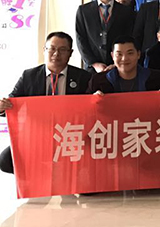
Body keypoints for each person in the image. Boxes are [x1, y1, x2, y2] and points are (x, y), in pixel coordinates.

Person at [0, 32, 93, 174]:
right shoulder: (29, 76)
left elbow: (91, 109)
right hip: (37, 135)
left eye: (62, 50)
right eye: (52, 49)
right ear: (44, 50)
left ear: (70, 53)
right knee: (5, 161)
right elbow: (12, 104)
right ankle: (40, 175)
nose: (56, 54)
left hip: (68, 135)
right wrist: (2, 108)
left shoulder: (83, 77)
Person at [76, 0, 136, 72]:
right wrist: (94, 63)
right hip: (92, 68)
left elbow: (129, 37)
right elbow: (81, 39)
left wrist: (116, 63)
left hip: (119, 66)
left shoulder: (126, 12)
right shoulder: (84, 11)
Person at [88, 36, 160, 94]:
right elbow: (85, 108)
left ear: (138, 54)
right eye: (119, 54)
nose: (124, 59)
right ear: (112, 56)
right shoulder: (98, 82)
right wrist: (92, 99)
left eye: (130, 53)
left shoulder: (157, 79)